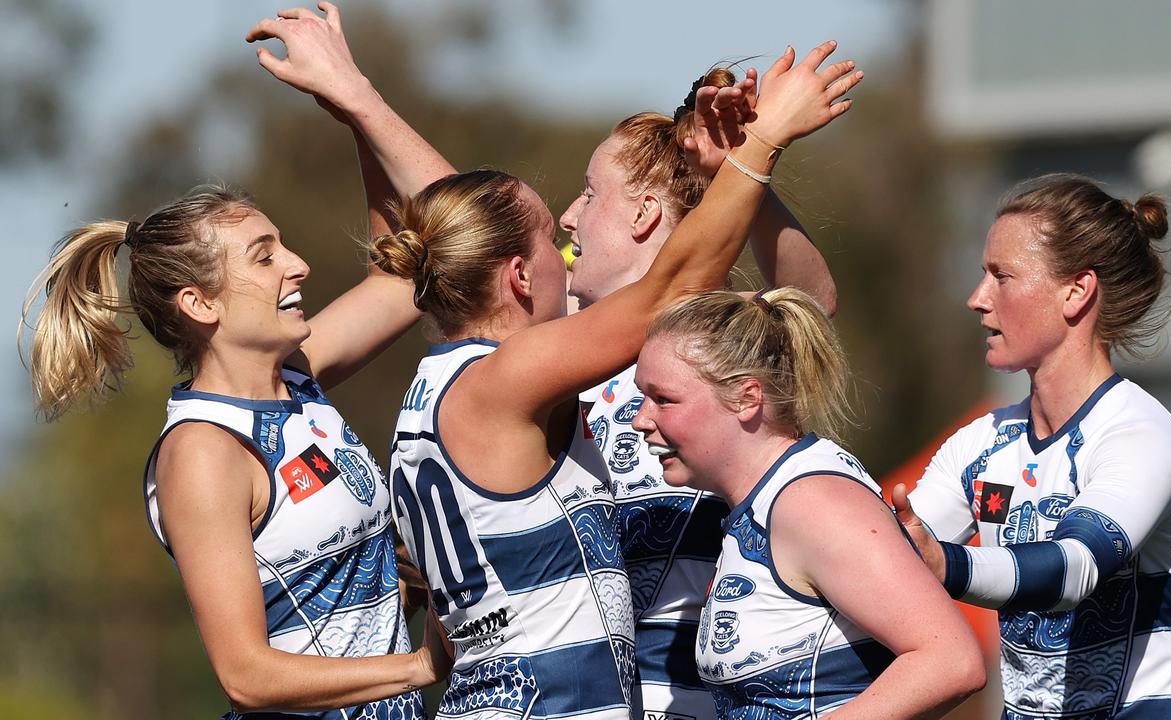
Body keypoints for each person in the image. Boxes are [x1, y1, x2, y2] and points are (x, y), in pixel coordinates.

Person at [373, 43, 862, 720]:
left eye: (583, 200)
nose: (567, 233)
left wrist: (356, 100)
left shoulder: (447, 386)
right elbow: (671, 287)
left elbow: (784, 296)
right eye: (549, 237)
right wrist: (767, 138)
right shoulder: (509, 375)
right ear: (518, 274)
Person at [19, 6, 461, 717]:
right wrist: (418, 664)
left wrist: (353, 101)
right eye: (265, 256)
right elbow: (246, 675)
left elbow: (421, 260)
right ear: (200, 304)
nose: (299, 264)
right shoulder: (202, 454)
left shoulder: (296, 378)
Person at [563, 67, 838, 719]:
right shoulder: (557, 339)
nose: (567, 215)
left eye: (588, 193)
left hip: (704, 700)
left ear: (644, 211)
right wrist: (360, 100)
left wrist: (739, 167)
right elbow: (470, 232)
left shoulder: (710, 334)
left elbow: (812, 304)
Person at [893, 175, 1171, 719]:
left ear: (1075, 292)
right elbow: (886, 572)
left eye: (1001, 276)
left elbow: (1074, 570)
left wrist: (944, 563)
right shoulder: (980, 444)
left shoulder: (1140, 433)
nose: (977, 299)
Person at [628, 288, 986, 720]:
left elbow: (950, 660)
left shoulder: (812, 503)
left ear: (747, 398)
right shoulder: (763, 502)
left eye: (663, 399)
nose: (641, 419)